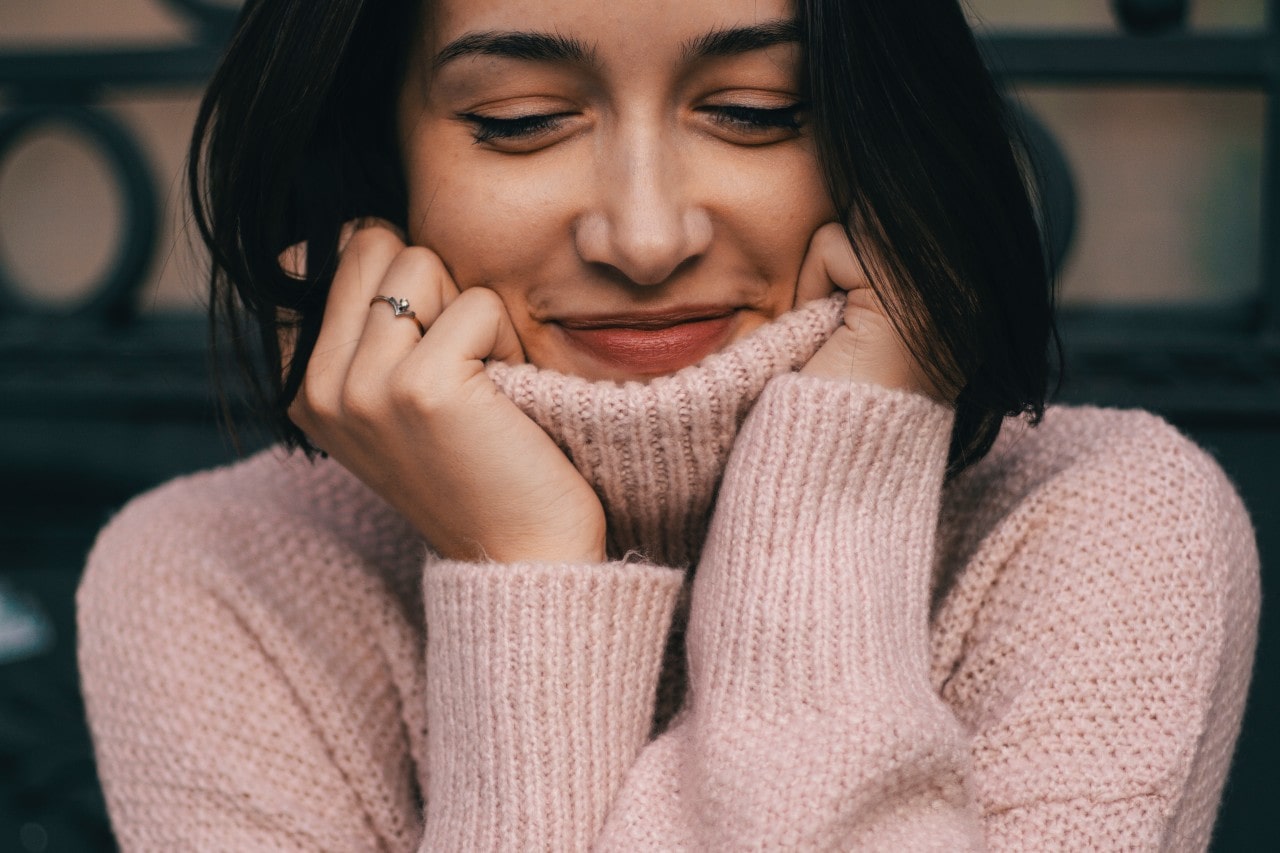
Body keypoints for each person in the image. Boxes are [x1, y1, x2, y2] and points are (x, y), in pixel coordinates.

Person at [77, 0, 1259, 849]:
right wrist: (524, 570)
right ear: (378, 160)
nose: (643, 237)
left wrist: (828, 501)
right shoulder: (218, 578)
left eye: (755, 110)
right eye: (520, 118)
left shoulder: (1102, 525)